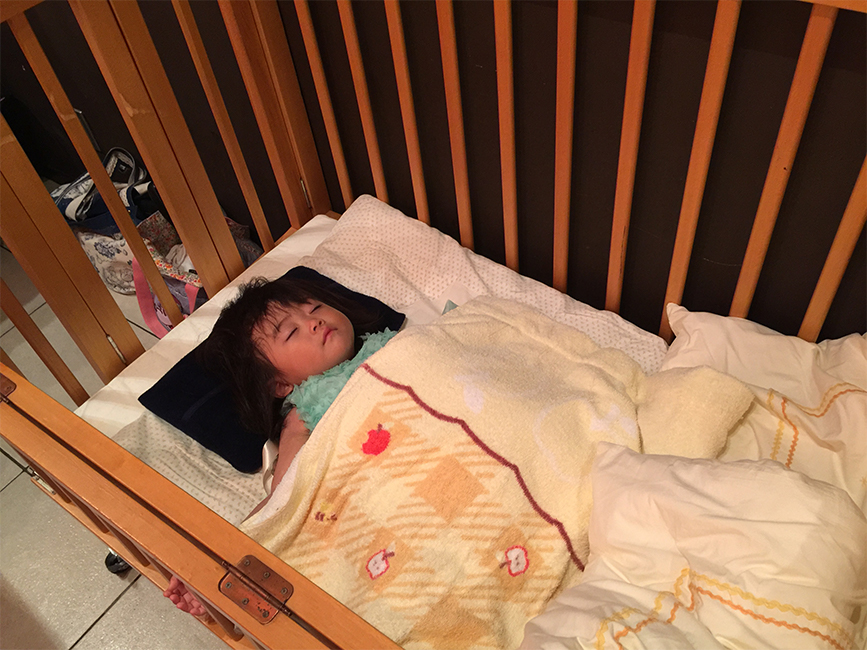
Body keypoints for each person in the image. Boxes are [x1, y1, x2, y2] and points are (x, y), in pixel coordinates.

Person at [164, 272, 401, 615]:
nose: (315, 321)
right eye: (291, 332)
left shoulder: (392, 344)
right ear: (280, 385)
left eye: (315, 308)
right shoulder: (303, 412)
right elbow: (284, 497)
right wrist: (223, 561)